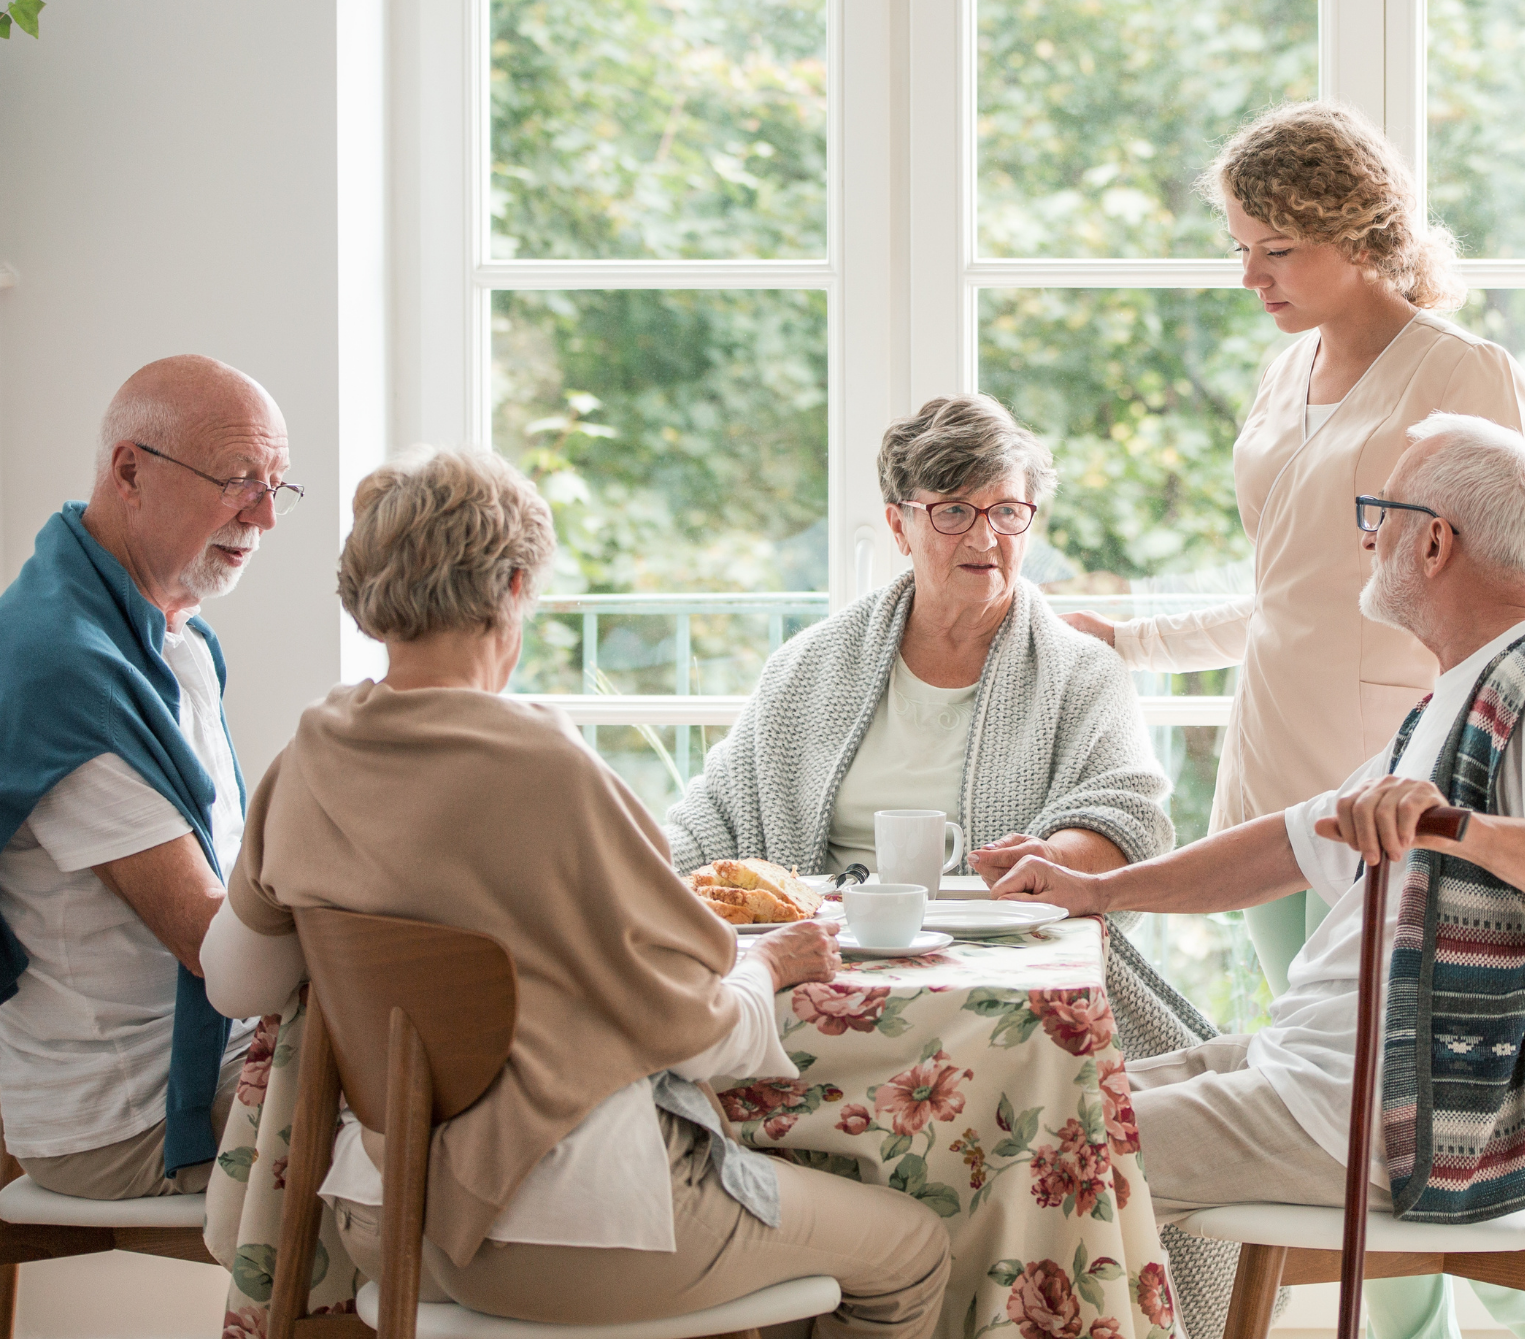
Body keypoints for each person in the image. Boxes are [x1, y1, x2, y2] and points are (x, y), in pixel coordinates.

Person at [200, 448, 951, 1336]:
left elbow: (237, 985)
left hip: (385, 1222)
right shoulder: (549, 771)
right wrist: (774, 967)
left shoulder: (309, 758)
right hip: (581, 1234)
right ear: (516, 585)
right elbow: (698, 1032)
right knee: (912, 1248)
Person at [996, 414, 1525, 1339]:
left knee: (1030, 1159)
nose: (1369, 537)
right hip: (1312, 1074)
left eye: (1382, 514)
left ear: (1436, 539)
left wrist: (1458, 826)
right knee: (1031, 1099)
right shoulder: (1457, 692)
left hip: (1376, 1113)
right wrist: (1097, 891)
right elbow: (1292, 842)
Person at [664, 394, 1236, 1339]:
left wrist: (1050, 858)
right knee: (702, 1060)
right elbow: (710, 819)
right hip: (824, 971)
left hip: (1004, 975)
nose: (987, 535)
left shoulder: (1078, 671)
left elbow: (1129, 814)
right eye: (954, 510)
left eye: (1008, 511)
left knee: (1045, 1079)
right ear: (900, 523)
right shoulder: (812, 668)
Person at [1048, 100, 1525, 1007]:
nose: (1249, 277)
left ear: (1355, 235)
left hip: (1390, 763)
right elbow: (1289, 595)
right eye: (1239, 248)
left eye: (1275, 250)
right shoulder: (1285, 370)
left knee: (1361, 1061)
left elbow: (1501, 592)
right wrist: (1130, 643)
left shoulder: (1462, 371)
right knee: (1289, 1031)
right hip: (1267, 744)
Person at [0, 356, 298, 1199]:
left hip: (201, 1055)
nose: (266, 517)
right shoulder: (64, 670)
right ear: (130, 472)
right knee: (435, 1110)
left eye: (279, 486)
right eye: (240, 481)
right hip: (127, 1117)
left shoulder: (171, 632)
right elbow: (211, 940)